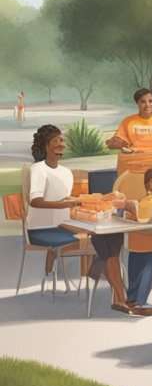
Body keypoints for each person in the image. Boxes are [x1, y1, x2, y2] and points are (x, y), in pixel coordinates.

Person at [25, 126, 135, 312]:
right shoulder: (38, 170)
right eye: (56, 141)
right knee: (104, 241)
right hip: (45, 228)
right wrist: (65, 204)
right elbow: (35, 201)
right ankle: (118, 296)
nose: (61, 144)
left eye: (62, 141)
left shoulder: (66, 172)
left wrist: (100, 200)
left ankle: (118, 296)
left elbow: (70, 201)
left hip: (67, 223)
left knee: (111, 237)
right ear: (46, 145)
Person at [124, 168, 152, 315]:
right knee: (145, 272)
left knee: (136, 271)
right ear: (147, 184)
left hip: (136, 240)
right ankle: (140, 303)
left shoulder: (144, 201)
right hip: (146, 241)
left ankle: (132, 300)